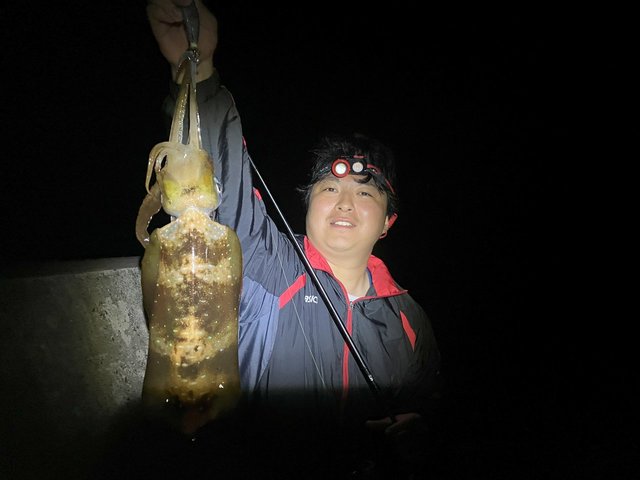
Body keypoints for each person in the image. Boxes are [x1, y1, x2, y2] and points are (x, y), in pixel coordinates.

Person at [145, 1, 442, 477]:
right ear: (307, 206)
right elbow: (222, 184)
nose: (344, 203)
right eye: (329, 189)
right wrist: (199, 73)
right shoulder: (270, 264)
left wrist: (420, 433)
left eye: (365, 192)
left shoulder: (410, 319)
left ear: (388, 222)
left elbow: (426, 402)